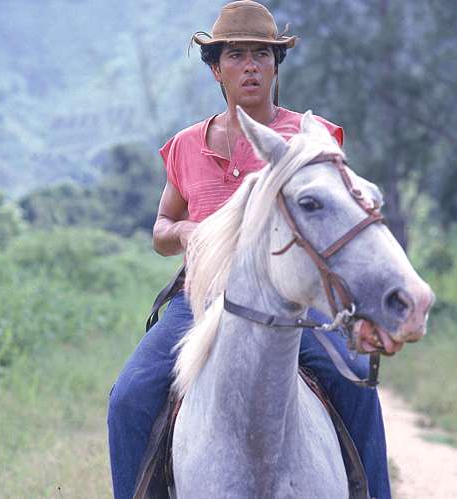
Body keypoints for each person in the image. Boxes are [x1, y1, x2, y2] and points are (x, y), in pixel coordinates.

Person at [107, 2, 391, 498]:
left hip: (286, 305)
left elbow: (338, 217)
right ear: (216, 68)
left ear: (276, 65)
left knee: (356, 383)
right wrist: (186, 233)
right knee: (127, 400)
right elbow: (160, 228)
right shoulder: (186, 145)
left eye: (263, 54)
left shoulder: (309, 137)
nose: (251, 65)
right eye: (236, 55)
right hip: (197, 302)